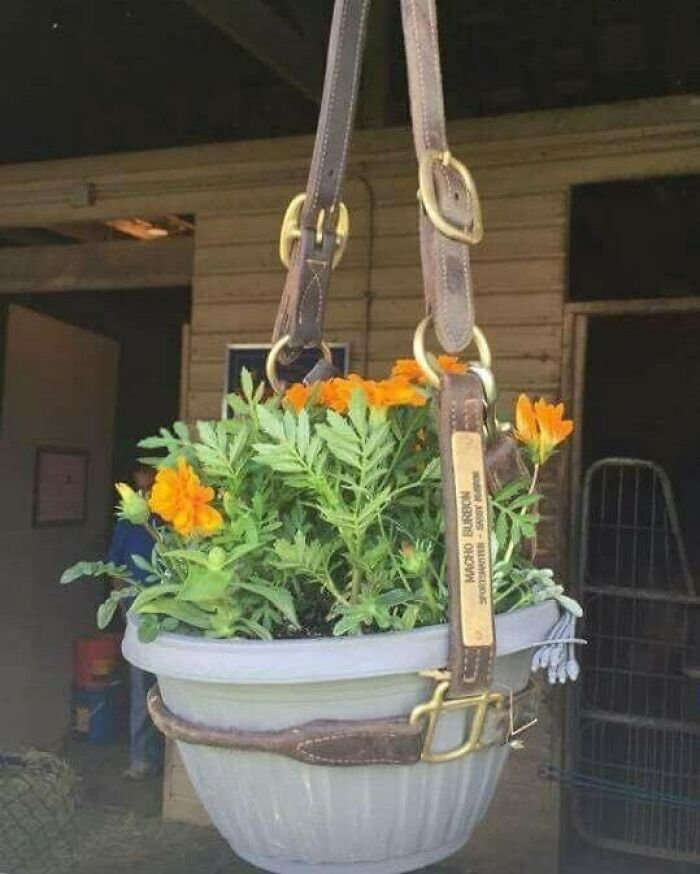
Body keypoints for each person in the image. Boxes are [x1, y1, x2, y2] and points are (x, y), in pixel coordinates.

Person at [106, 463, 163, 781]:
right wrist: (122, 605)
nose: (143, 479)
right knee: (142, 683)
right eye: (139, 472)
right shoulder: (127, 522)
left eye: (150, 472)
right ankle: (143, 758)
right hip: (138, 606)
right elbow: (114, 565)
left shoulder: (170, 517)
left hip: (175, 608)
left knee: (174, 683)